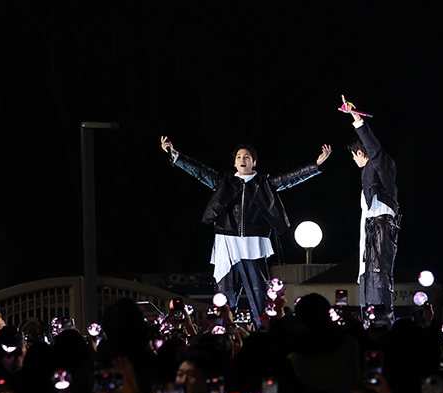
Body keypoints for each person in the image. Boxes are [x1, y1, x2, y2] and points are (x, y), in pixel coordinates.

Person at [160, 135, 332, 325]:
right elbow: (199, 171)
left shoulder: (264, 182)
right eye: (239, 157)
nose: (243, 160)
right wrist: (176, 155)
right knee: (225, 292)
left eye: (247, 157)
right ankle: (223, 331)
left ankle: (264, 328)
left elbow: (289, 178)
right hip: (227, 240)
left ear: (254, 162)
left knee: (259, 290)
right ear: (234, 163)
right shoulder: (224, 181)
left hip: (254, 242)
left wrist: (315, 165)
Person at [341, 96, 400, 320]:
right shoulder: (368, 174)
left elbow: (374, 150)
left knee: (378, 278)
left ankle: (380, 325)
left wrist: (356, 119)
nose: (354, 161)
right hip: (371, 229)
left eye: (353, 156)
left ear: (359, 153)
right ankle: (370, 323)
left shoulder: (380, 165)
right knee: (368, 278)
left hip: (381, 226)